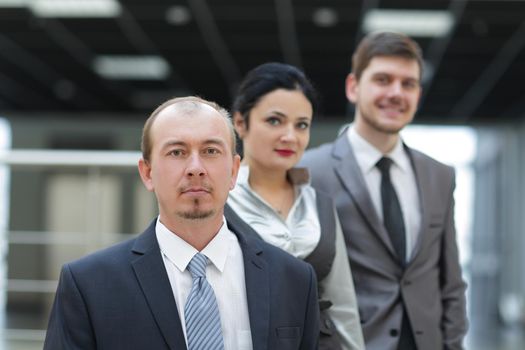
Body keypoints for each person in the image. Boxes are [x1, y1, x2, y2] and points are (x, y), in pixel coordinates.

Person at [44, 96, 320, 350]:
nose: (195, 167)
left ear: (234, 171)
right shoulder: (89, 286)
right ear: (148, 173)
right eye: (177, 152)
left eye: (211, 151)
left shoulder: (294, 280)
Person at [300, 32, 468, 350]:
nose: (396, 93)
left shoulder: (439, 175)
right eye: (382, 79)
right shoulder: (309, 171)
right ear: (353, 87)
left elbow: (451, 282)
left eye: (408, 84)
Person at [226, 62, 364, 350]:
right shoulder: (219, 203)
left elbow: (342, 304)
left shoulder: (320, 205)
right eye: (275, 121)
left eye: (301, 125)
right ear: (240, 123)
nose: (290, 136)